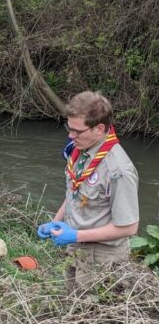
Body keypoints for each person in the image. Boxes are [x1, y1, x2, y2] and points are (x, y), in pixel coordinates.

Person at [37, 91, 139, 284]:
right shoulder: (80, 151)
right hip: (76, 247)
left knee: (92, 312)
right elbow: (75, 192)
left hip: (102, 258)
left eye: (77, 131)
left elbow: (128, 227)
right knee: (71, 304)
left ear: (99, 129)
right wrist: (55, 222)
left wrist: (75, 234)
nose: (70, 135)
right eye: (69, 127)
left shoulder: (118, 170)